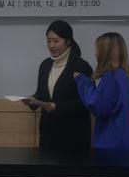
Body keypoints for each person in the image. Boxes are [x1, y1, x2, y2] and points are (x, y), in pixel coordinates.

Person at [23, 20, 94, 151]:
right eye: (48, 41)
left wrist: (57, 107)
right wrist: (32, 100)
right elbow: (42, 94)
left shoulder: (81, 66)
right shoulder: (45, 65)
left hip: (73, 136)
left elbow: (87, 103)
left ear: (68, 41)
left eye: (56, 41)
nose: (51, 45)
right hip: (48, 135)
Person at [73, 32, 129, 149]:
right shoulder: (126, 75)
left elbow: (97, 105)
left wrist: (82, 81)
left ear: (105, 53)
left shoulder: (111, 77)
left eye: (98, 50)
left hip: (112, 144)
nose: (96, 54)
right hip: (128, 142)